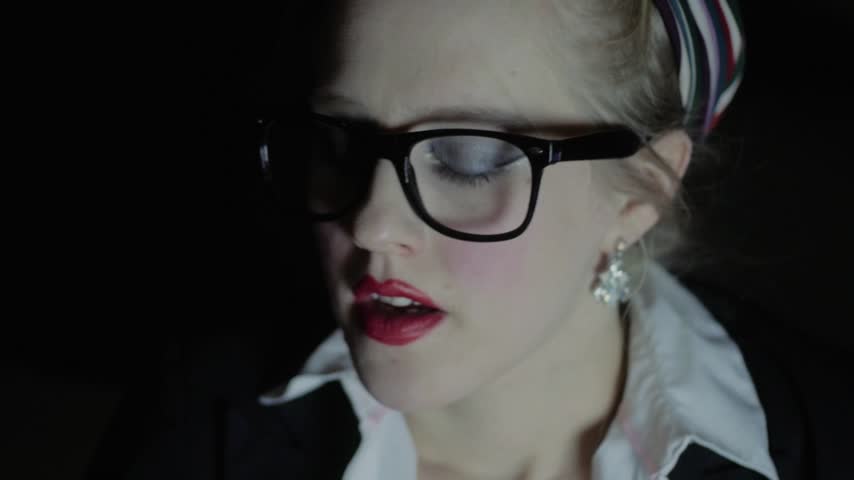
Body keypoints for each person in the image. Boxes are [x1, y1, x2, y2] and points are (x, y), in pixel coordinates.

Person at [247, 0, 791, 479]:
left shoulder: (820, 443)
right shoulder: (204, 421)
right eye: (342, 145)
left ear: (638, 196)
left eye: (468, 159)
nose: (373, 226)